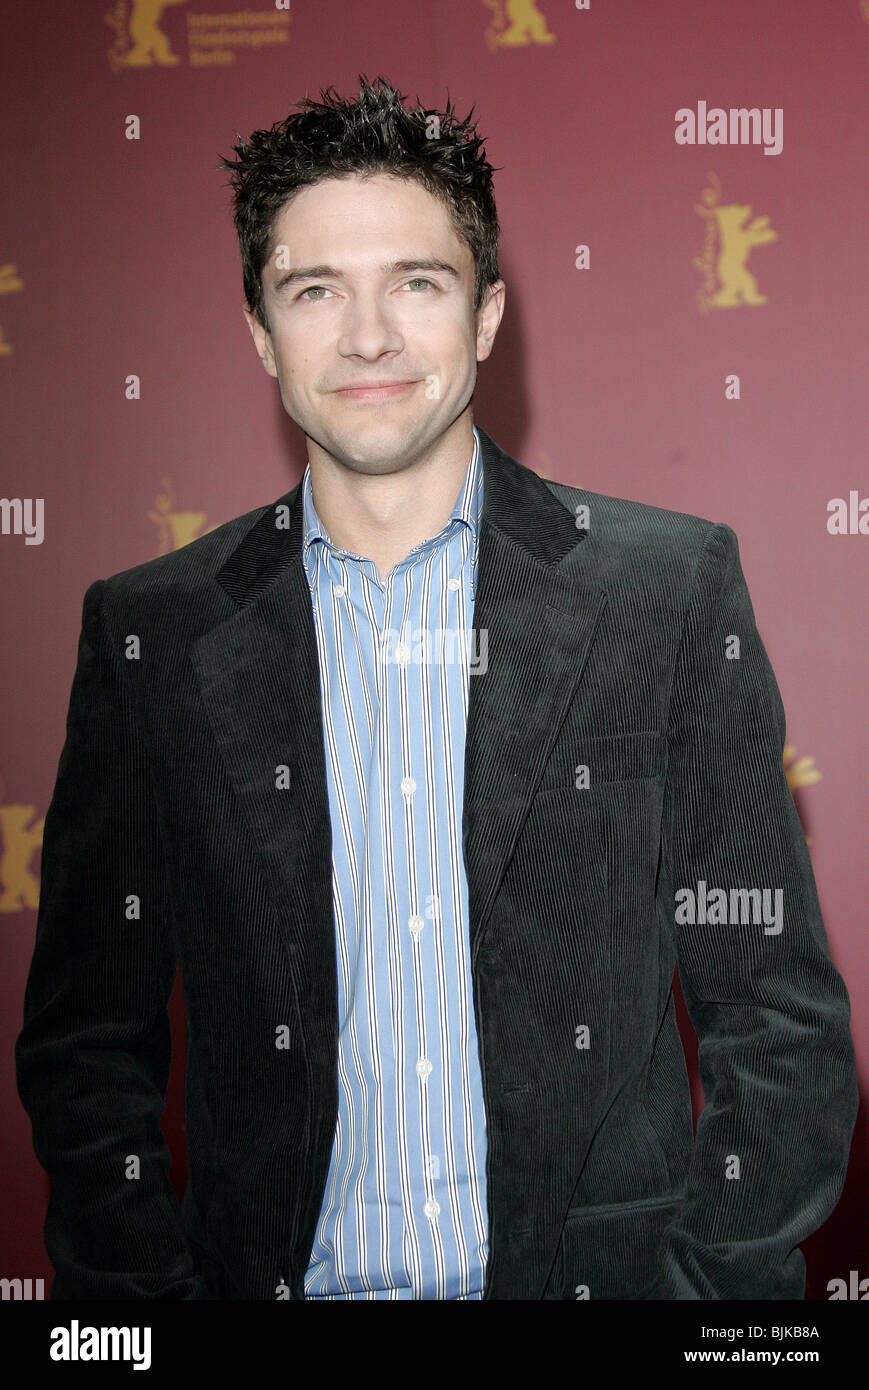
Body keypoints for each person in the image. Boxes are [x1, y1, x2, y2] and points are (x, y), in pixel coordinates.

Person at [16, 76, 857, 1301]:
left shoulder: (664, 591)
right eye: (315, 291)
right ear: (260, 331)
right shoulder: (152, 632)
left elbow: (773, 1009)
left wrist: (712, 1307)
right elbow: (87, 1041)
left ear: (485, 316)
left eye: (415, 282)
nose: (367, 337)